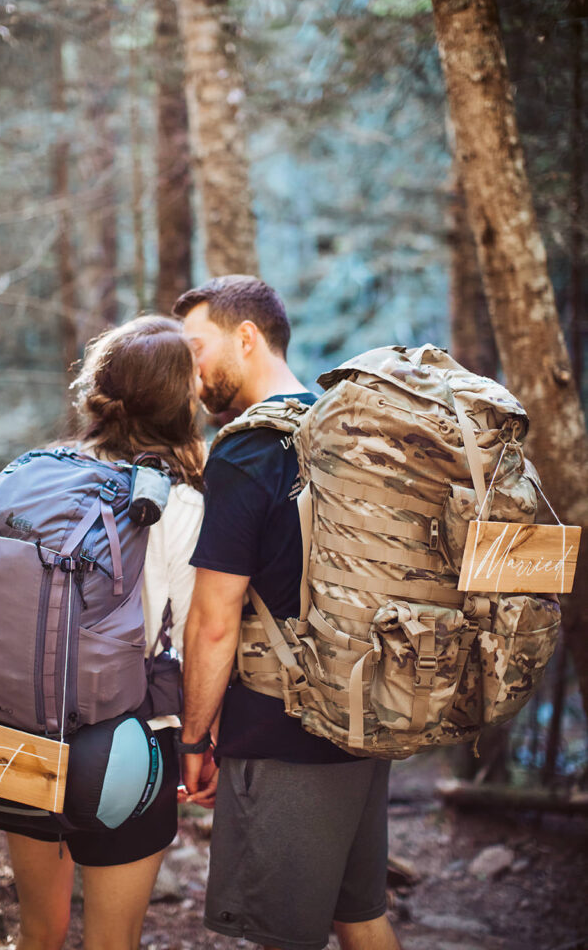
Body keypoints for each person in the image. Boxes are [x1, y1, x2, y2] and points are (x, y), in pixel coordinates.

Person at [174, 276, 401, 950]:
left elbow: (214, 620)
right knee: (358, 916)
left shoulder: (247, 451)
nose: (190, 373)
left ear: (246, 338)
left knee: (281, 933)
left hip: (282, 728)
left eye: (196, 349)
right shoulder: (341, 435)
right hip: (367, 708)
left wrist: (193, 740)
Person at [3, 316, 204, 950]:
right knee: (110, 942)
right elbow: (195, 635)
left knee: (40, 930)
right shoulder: (181, 500)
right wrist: (199, 740)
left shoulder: (33, 475)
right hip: (124, 743)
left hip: (19, 729)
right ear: (179, 400)